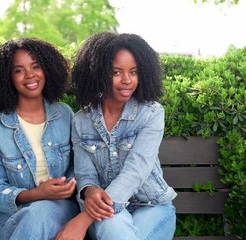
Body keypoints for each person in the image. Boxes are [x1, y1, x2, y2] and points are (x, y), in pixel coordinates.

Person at [56, 32, 177, 240]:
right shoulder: (81, 120)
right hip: (104, 210)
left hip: (152, 207)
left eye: (134, 72)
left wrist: (83, 220)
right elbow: (85, 173)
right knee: (113, 225)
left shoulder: (151, 113)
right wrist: (90, 190)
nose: (127, 80)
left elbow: (136, 170)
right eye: (116, 72)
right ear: (98, 73)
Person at [0, 37, 79, 240]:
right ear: (8, 78)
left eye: (36, 66)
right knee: (36, 214)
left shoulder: (64, 115)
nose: (30, 75)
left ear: (47, 69)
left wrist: (68, 185)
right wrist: (36, 194)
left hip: (63, 209)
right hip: (14, 219)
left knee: (41, 213)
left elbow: (80, 164)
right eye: (19, 70)